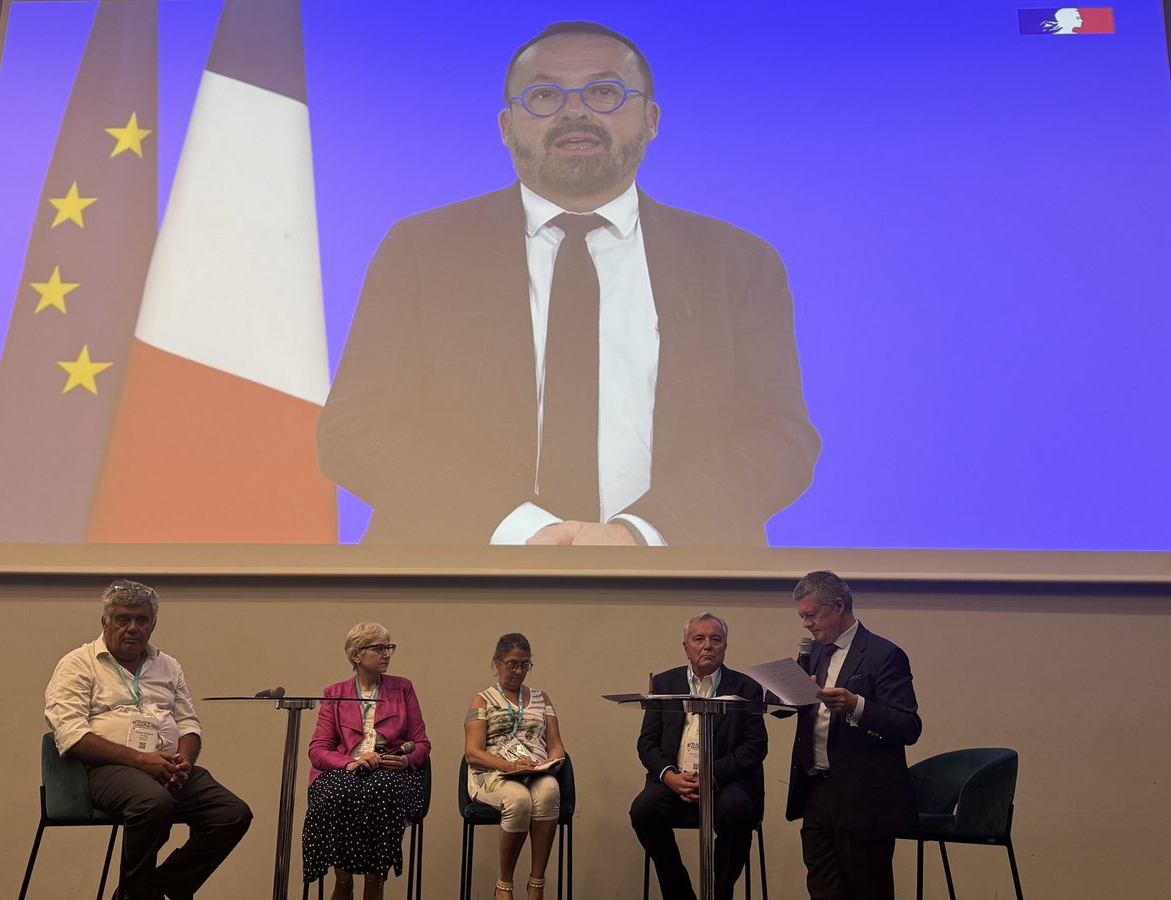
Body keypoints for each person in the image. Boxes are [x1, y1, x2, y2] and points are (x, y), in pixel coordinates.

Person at [317, 20, 821, 547]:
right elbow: (356, 430)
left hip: (680, 579)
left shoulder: (736, 262)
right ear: (506, 126)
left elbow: (780, 439)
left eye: (604, 92)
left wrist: (639, 535)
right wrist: (522, 532)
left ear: (651, 119)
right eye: (544, 95)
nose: (575, 112)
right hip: (458, 572)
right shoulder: (423, 250)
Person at [44, 579, 252, 900]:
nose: (133, 628)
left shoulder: (168, 665)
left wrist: (184, 761)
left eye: (142, 620)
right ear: (105, 622)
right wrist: (142, 761)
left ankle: (154, 887)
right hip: (105, 769)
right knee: (154, 802)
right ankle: (138, 894)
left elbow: (188, 724)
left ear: (153, 624)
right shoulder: (78, 664)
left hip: (166, 767)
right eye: (123, 619)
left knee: (232, 813)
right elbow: (71, 735)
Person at [785, 571, 922, 900]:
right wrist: (789, 694)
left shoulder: (883, 654)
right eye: (802, 616)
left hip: (863, 798)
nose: (806, 624)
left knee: (868, 890)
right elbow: (794, 707)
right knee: (823, 890)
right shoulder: (814, 653)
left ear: (838, 606)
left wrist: (856, 706)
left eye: (811, 615)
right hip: (816, 790)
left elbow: (908, 726)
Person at [630, 613, 767, 900]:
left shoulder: (747, 688)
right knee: (643, 811)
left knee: (738, 811)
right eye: (699, 639)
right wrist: (669, 776)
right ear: (686, 648)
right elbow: (647, 743)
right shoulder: (665, 683)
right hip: (675, 779)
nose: (708, 646)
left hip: (726, 782)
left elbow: (755, 746)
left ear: (725, 646)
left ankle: (720, 894)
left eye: (716, 640)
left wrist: (712, 775)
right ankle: (680, 894)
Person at [302, 623, 430, 900]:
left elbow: (422, 743)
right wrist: (349, 763)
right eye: (379, 648)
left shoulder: (403, 687)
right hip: (346, 770)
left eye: (389, 647)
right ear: (356, 655)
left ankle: (374, 882)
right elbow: (318, 749)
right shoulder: (334, 693)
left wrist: (406, 761)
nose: (387, 654)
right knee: (340, 791)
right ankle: (343, 880)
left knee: (381, 788)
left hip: (390, 772)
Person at [464, 633, 566, 900]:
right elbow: (472, 753)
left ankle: (536, 884)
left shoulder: (542, 698)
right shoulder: (482, 700)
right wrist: (509, 766)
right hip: (494, 773)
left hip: (535, 770)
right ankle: (504, 885)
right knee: (519, 800)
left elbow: (556, 745)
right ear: (496, 663)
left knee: (549, 791)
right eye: (512, 664)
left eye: (524, 664)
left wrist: (550, 763)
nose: (519, 671)